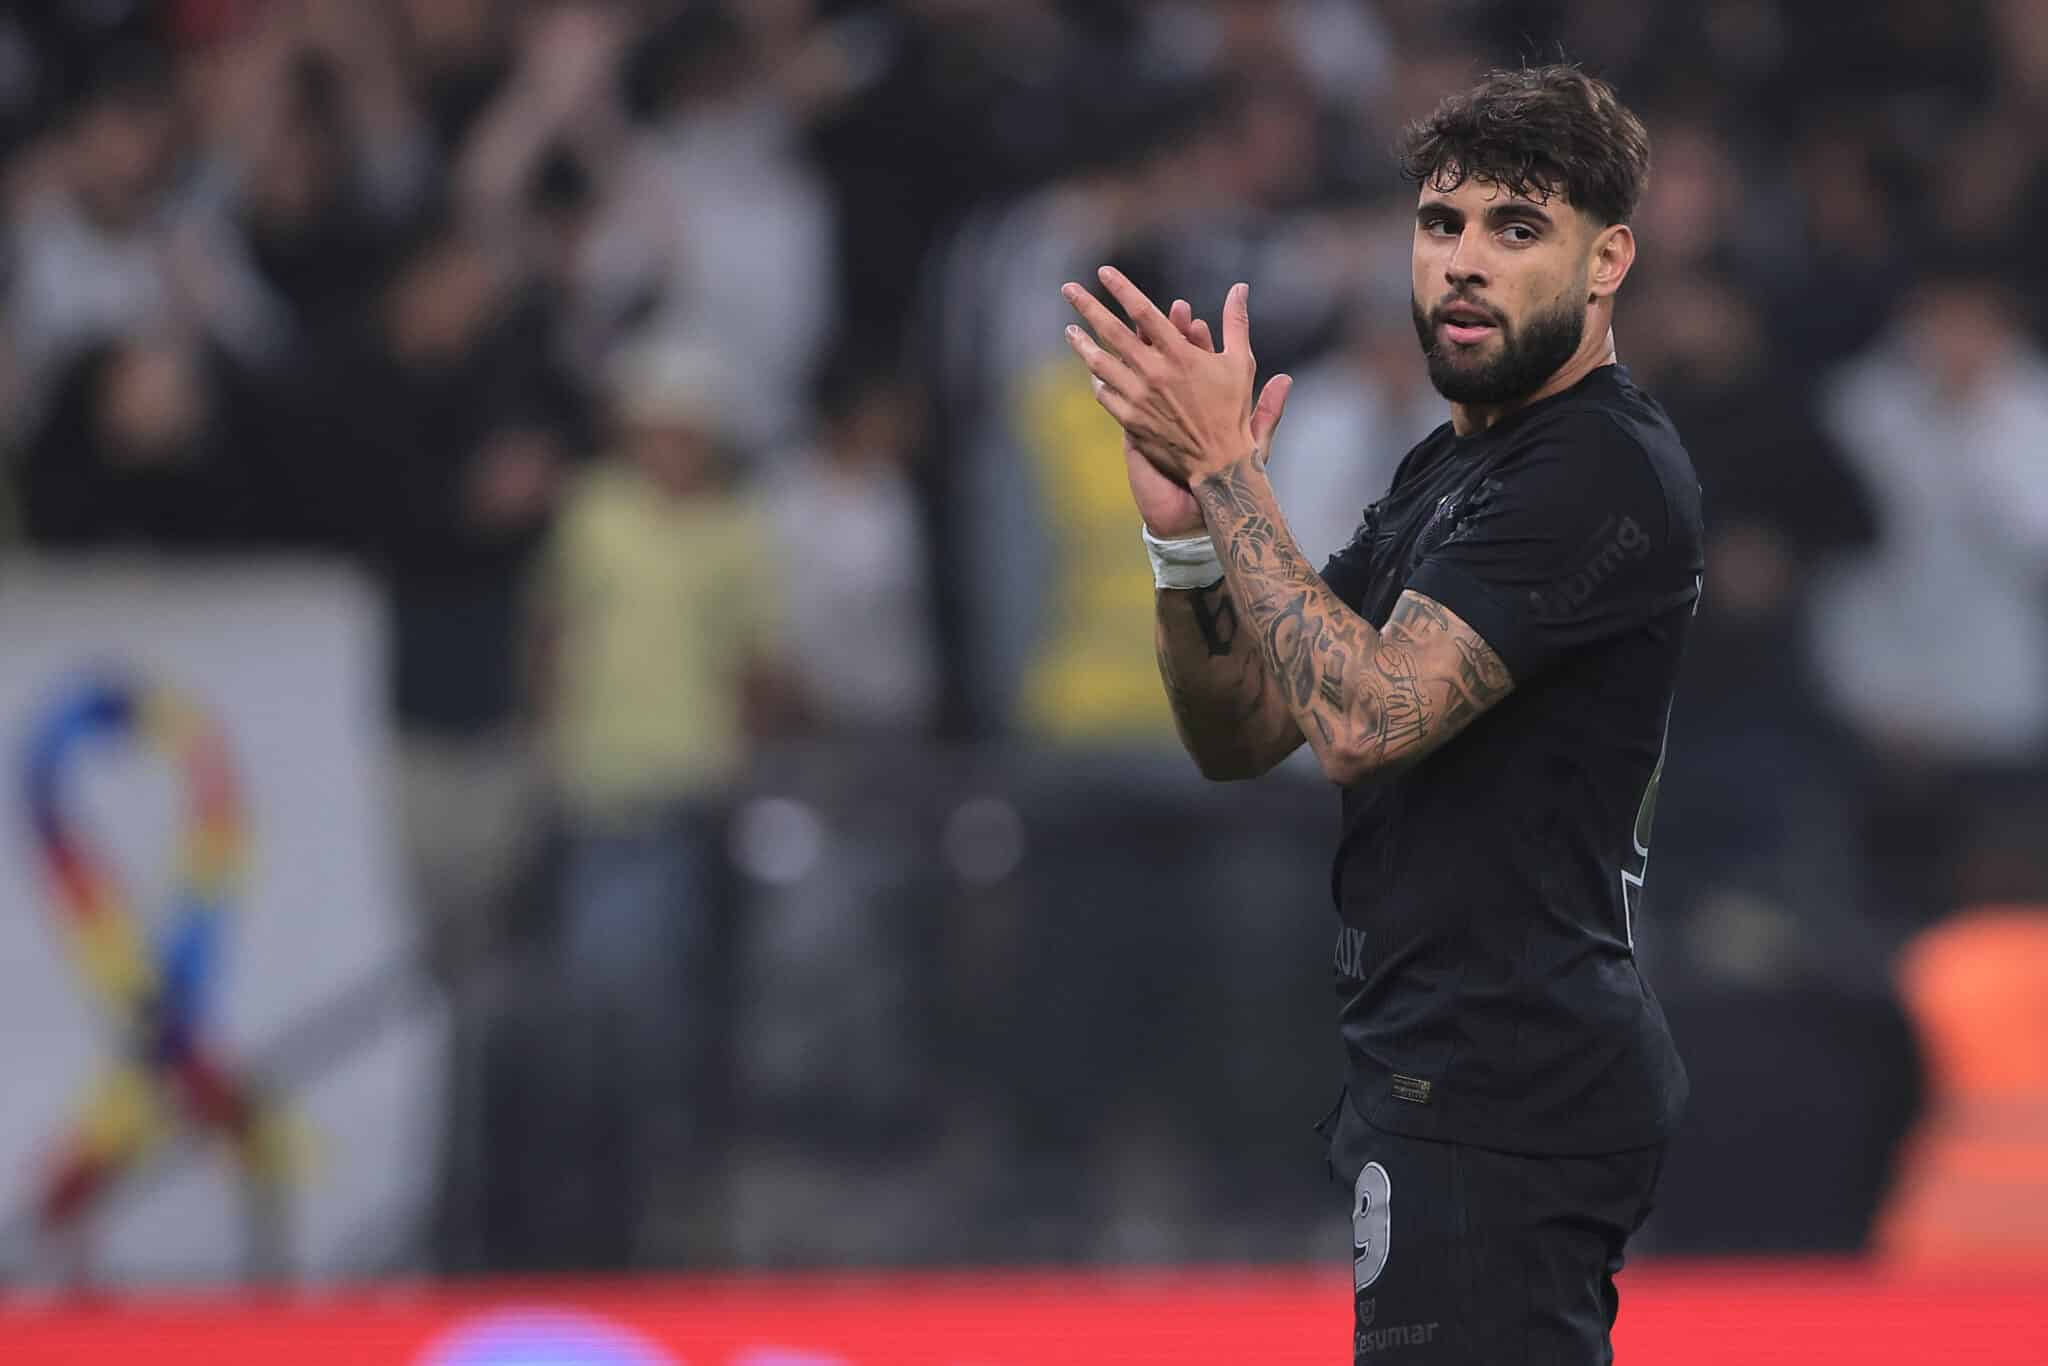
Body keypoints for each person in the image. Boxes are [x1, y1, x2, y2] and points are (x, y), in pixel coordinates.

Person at [1062, 65, 1700, 1363]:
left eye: (1516, 228)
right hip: (1439, 1061)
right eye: (1440, 223)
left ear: (1607, 257)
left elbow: (1360, 719)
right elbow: (1243, 729)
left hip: (1511, 1071)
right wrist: (1187, 540)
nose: (1463, 261)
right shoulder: (1452, 469)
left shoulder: (1596, 464)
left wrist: (1237, 469)